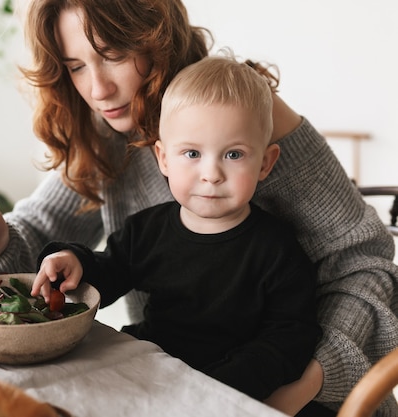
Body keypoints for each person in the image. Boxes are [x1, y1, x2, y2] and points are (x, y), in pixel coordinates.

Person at [0, 1, 398, 415]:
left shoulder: (246, 111)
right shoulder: (109, 129)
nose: (98, 89)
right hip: (182, 384)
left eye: (114, 54)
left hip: (308, 396)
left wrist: (303, 385)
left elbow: (365, 266)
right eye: (77, 66)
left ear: (154, 34)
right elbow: (41, 233)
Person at [31, 55, 323, 405]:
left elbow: (290, 337)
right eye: (192, 153)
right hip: (153, 371)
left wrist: (221, 388)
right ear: (164, 158)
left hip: (230, 390)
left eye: (233, 155)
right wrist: (73, 261)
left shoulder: (277, 249)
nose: (211, 173)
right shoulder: (147, 230)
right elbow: (107, 272)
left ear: (265, 162)